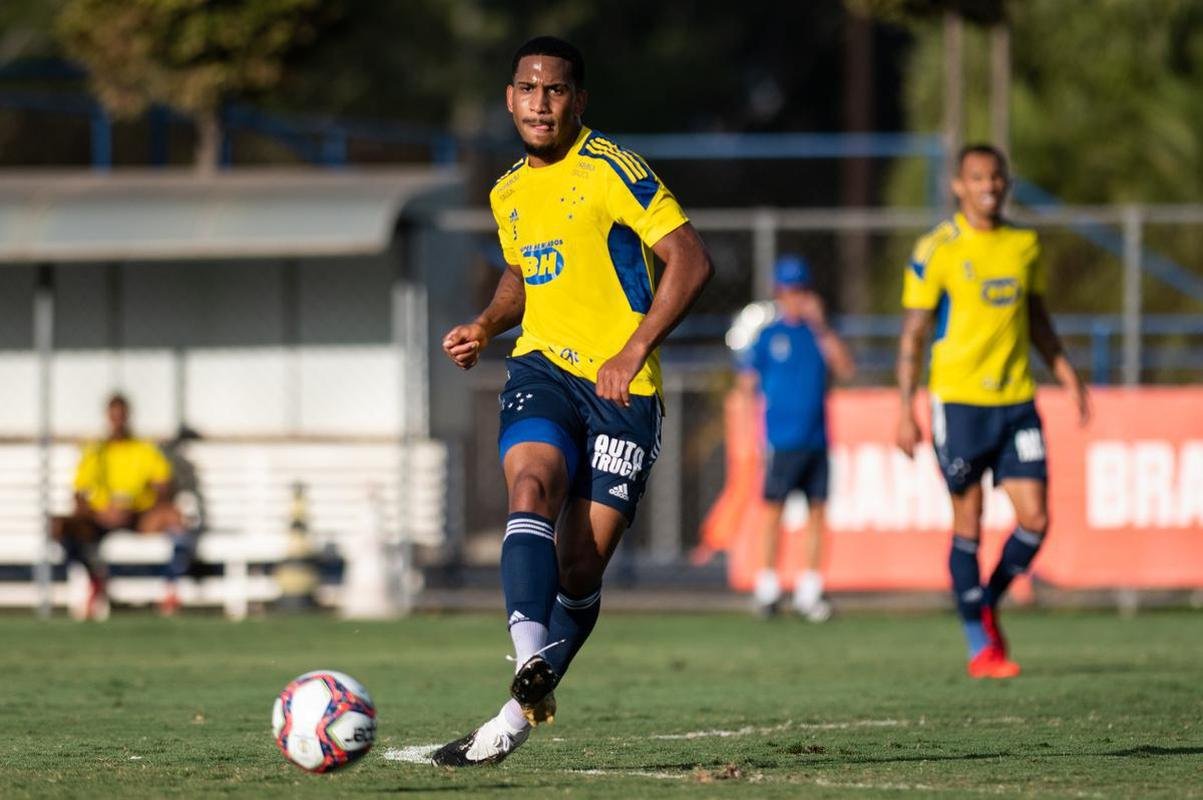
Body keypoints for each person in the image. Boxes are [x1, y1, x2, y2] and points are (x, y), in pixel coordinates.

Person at [433, 35, 713, 766]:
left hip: (624, 389)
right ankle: (526, 653)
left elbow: (691, 258)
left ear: (577, 101)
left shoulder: (612, 168)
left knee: (581, 567)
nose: (540, 103)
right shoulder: (506, 191)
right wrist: (486, 325)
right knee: (529, 486)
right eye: (527, 89)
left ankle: (515, 716)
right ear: (508, 98)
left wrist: (633, 348)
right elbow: (521, 275)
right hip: (542, 370)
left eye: (555, 90)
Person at [895, 144, 1089, 679]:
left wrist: (1068, 375)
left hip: (1017, 402)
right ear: (959, 186)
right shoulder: (938, 248)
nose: (989, 185)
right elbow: (913, 334)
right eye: (977, 177)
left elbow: (1038, 320)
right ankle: (981, 645)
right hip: (958, 403)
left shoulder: (1024, 245)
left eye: (997, 176)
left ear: (1007, 182)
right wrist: (904, 406)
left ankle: (986, 599)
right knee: (970, 521)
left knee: (1036, 519)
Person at [736, 255, 855, 621]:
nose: (795, 297)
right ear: (778, 293)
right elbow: (746, 383)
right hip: (781, 441)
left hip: (817, 439)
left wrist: (821, 327)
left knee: (817, 512)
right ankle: (768, 587)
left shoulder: (818, 334)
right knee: (773, 511)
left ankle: (809, 589)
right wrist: (751, 433)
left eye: (800, 290)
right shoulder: (769, 336)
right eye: (789, 290)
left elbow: (846, 368)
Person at [53, 393, 199, 619]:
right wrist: (100, 510)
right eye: (114, 416)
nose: (118, 421)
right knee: (59, 526)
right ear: (107, 418)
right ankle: (93, 578)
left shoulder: (143, 449)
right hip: (101, 517)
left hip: (137, 515)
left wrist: (134, 505)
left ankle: (170, 588)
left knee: (176, 517)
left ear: (128, 417)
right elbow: (79, 494)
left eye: (122, 416)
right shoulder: (95, 451)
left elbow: (164, 486)